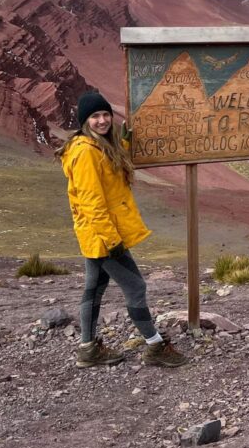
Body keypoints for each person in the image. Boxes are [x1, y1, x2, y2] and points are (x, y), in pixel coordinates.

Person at [56, 91, 188, 368]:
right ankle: (154, 347)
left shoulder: (98, 147)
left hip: (97, 234)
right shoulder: (85, 154)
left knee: (94, 287)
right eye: (95, 116)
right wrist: (112, 241)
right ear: (84, 121)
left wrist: (125, 142)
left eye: (105, 115)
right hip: (103, 236)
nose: (102, 120)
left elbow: (110, 172)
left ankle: (88, 349)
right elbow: (93, 202)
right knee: (136, 286)